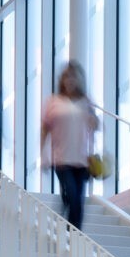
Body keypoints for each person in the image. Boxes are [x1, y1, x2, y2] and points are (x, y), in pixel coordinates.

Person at [40, 60, 97, 230]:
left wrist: (93, 119)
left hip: (82, 161)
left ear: (79, 79)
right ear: (62, 80)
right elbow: (45, 130)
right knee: (72, 197)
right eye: (66, 77)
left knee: (77, 202)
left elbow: (95, 127)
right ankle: (69, 234)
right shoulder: (53, 101)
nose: (70, 80)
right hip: (61, 159)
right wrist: (43, 155)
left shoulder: (86, 102)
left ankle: (72, 236)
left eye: (73, 76)